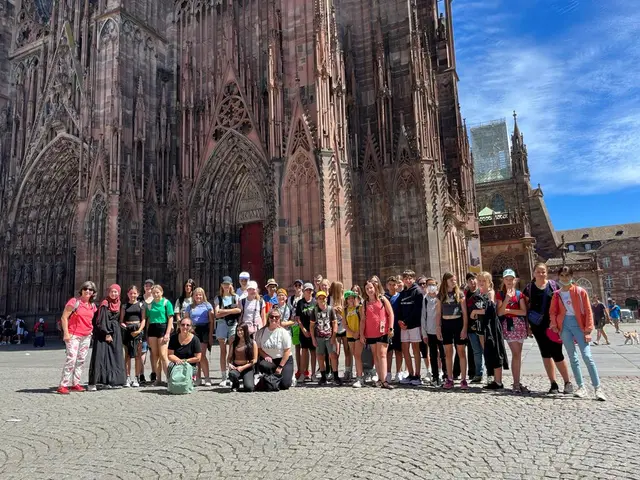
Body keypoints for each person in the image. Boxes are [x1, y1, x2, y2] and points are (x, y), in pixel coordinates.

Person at [550, 266, 606, 401]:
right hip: (564, 326)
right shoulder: (557, 294)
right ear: (559, 277)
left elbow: (587, 310)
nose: (564, 278)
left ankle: (597, 388)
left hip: (579, 325)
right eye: (562, 276)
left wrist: (588, 329)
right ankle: (581, 387)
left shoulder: (580, 291)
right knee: (572, 357)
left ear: (571, 276)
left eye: (567, 276)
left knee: (587, 357)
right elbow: (552, 311)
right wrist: (554, 325)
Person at [522, 263, 573, 394]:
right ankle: (553, 383)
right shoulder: (529, 288)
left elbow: (562, 305)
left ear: (547, 273)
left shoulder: (553, 286)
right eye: (538, 272)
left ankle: (568, 382)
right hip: (537, 325)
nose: (541, 274)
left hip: (553, 326)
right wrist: (527, 326)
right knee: (545, 353)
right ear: (533, 273)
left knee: (557, 353)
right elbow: (526, 308)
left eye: (543, 271)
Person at [57, 281, 98, 394]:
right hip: (73, 335)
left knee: (81, 360)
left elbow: (92, 320)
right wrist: (66, 333)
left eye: (90, 290)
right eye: (86, 289)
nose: (88, 291)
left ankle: (76, 383)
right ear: (82, 290)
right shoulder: (74, 302)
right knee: (71, 359)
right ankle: (63, 385)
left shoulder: (92, 306)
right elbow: (64, 317)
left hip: (86, 335)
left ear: (93, 293)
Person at [496, 269, 529, 393]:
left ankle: (517, 381)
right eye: (507, 279)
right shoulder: (500, 294)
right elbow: (499, 312)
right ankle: (515, 383)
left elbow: (523, 311)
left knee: (518, 355)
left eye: (511, 279)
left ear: (515, 280)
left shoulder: (519, 294)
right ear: (503, 280)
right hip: (509, 326)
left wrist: (509, 311)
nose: (509, 281)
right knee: (516, 354)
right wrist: (506, 300)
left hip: (519, 325)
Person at [88, 284, 127, 391]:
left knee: (114, 356)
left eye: (116, 292)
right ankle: (95, 382)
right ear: (108, 292)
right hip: (104, 333)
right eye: (112, 291)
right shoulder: (105, 303)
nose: (114, 294)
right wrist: (107, 333)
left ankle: (110, 380)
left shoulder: (119, 303)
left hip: (115, 332)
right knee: (101, 356)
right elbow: (101, 320)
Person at [474, 271, 508, 390]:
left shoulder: (490, 293)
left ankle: (498, 381)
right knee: (487, 353)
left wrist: (475, 312)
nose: (481, 283)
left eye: (484, 281)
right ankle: (491, 378)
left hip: (491, 326)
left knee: (495, 352)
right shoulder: (478, 293)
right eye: (480, 281)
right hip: (481, 326)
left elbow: (490, 310)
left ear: (489, 282)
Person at [437, 272, 468, 390]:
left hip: (458, 323)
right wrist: (438, 327)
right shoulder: (441, 295)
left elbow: (464, 313)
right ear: (446, 281)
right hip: (446, 324)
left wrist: (464, 328)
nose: (454, 282)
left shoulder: (459, 294)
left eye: (455, 280)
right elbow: (438, 313)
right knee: (448, 353)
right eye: (452, 280)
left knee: (461, 351)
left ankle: (463, 379)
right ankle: (449, 378)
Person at [360, 280, 394, 389]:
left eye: (371, 288)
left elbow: (391, 314)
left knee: (382, 354)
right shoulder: (364, 303)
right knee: (375, 356)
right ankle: (380, 378)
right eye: (367, 289)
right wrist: (361, 334)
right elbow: (363, 320)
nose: (369, 290)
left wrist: (391, 328)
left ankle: (384, 380)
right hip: (370, 333)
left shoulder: (383, 299)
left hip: (383, 331)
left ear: (375, 288)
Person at [143, 285, 174, 386]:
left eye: (157, 292)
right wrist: (147, 334)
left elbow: (170, 318)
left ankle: (169, 379)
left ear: (162, 292)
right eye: (154, 293)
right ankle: (158, 379)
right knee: (155, 356)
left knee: (164, 355)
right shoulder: (150, 305)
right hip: (152, 328)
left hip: (162, 328)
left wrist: (168, 333)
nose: (156, 294)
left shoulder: (166, 303)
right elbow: (147, 320)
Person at [397, 270, 424, 386]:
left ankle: (418, 374)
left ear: (414, 279)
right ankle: (411, 373)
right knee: (405, 349)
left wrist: (406, 322)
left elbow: (417, 310)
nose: (408, 280)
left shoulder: (417, 292)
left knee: (415, 349)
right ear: (403, 280)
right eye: (406, 278)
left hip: (413, 325)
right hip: (403, 326)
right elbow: (399, 309)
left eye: (410, 278)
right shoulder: (402, 293)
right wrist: (399, 321)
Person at [256, 308, 294, 390]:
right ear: (268, 318)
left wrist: (280, 367)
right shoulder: (261, 332)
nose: (274, 319)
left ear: (280, 319)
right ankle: (271, 377)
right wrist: (265, 356)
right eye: (271, 316)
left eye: (276, 317)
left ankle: (288, 375)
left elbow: (287, 351)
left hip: (284, 360)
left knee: (284, 385)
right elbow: (259, 348)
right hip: (270, 360)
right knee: (263, 365)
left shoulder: (284, 332)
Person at [183, 287, 214, 386]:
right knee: (195, 356)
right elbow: (186, 320)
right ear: (193, 296)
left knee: (202, 355)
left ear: (203, 295)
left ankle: (207, 378)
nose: (198, 297)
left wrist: (210, 335)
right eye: (196, 295)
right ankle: (197, 378)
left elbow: (211, 321)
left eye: (200, 295)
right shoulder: (189, 306)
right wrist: (188, 331)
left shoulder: (208, 305)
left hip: (204, 329)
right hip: (193, 330)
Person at [214, 277, 241, 387]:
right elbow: (216, 314)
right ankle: (223, 376)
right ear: (221, 285)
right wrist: (231, 310)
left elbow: (239, 310)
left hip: (232, 324)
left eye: (228, 284)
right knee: (222, 351)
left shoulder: (235, 297)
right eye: (224, 284)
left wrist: (224, 311)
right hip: (221, 325)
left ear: (231, 285)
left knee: (231, 351)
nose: (226, 286)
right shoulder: (218, 298)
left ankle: (231, 375)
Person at [310, 290, 342, 386]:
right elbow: (311, 326)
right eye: (320, 298)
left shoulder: (330, 309)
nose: (322, 300)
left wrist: (334, 335)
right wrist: (313, 338)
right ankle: (323, 377)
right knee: (320, 356)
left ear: (326, 299)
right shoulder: (314, 310)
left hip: (329, 336)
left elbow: (334, 323)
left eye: (323, 298)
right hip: (319, 337)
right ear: (317, 300)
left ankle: (335, 376)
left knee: (333, 355)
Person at [421, 278, 446, 386]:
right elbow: (423, 316)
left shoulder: (441, 297)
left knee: (444, 354)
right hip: (430, 331)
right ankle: (435, 376)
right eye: (429, 285)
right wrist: (424, 333)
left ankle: (446, 375)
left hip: (441, 330)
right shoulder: (425, 299)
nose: (431, 287)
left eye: (433, 284)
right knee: (433, 354)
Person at [120, 285, 146, 387]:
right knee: (127, 355)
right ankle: (127, 377)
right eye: (131, 293)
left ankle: (136, 377)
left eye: (134, 293)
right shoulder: (124, 306)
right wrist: (124, 326)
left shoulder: (141, 305)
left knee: (138, 356)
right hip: (127, 330)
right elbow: (121, 320)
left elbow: (143, 319)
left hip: (138, 330)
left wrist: (139, 330)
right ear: (128, 294)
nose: (133, 295)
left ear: (138, 294)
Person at [167, 317, 202, 392]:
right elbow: (170, 355)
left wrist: (185, 361)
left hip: (190, 364)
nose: (185, 327)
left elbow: (198, 358)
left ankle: (188, 383)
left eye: (187, 325)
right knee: (170, 366)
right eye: (183, 325)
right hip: (176, 363)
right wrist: (178, 360)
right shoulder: (173, 338)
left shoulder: (195, 340)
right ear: (179, 326)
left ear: (191, 327)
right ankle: (171, 384)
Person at [464, 273, 484, 383]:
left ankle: (490, 373)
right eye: (470, 280)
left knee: (486, 350)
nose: (472, 281)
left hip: (482, 326)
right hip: (471, 326)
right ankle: (478, 374)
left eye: (474, 279)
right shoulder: (466, 294)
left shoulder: (482, 292)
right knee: (476, 351)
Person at [329, 281, 351, 381]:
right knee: (335, 353)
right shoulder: (330, 299)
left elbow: (348, 315)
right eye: (341, 287)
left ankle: (348, 372)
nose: (342, 289)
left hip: (345, 328)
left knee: (347, 351)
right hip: (335, 330)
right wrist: (333, 310)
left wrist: (341, 312)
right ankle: (335, 373)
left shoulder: (345, 299)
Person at [227, 323, 258, 392]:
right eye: (237, 330)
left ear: (245, 331)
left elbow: (255, 360)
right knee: (232, 374)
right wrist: (229, 364)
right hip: (236, 367)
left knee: (249, 388)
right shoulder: (234, 343)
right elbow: (229, 357)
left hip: (247, 367)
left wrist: (242, 367)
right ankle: (236, 383)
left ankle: (247, 380)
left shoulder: (252, 343)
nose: (239, 332)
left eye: (241, 330)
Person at [385, 275, 404, 383]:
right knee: (388, 351)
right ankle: (388, 372)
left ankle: (398, 372)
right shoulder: (384, 297)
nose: (392, 287)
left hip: (398, 327)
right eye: (390, 285)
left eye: (394, 285)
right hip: (388, 328)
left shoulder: (400, 296)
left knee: (398, 350)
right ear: (387, 285)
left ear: (397, 285)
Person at [343, 290, 364, 388]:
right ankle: (358, 376)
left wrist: (358, 333)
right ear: (346, 300)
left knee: (357, 355)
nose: (351, 300)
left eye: (352, 298)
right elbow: (344, 324)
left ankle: (359, 377)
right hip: (350, 335)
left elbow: (362, 321)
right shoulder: (345, 310)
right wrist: (352, 333)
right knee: (355, 355)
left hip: (358, 334)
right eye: (349, 298)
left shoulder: (359, 308)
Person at [288, 279, 304, 377]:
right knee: (297, 348)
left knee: (305, 349)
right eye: (296, 285)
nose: (298, 287)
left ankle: (305, 370)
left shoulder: (304, 297)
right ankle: (299, 369)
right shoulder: (290, 299)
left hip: (304, 325)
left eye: (299, 285)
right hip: (294, 326)